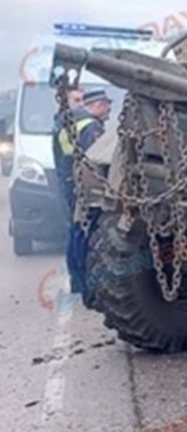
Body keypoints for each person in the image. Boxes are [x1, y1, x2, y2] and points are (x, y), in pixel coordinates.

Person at [52, 88, 111, 303]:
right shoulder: (91, 127)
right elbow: (96, 162)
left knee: (75, 232)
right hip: (83, 189)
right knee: (83, 235)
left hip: (69, 184)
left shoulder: (69, 122)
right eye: (107, 105)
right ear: (96, 105)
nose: (110, 110)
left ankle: (78, 283)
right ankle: (87, 288)